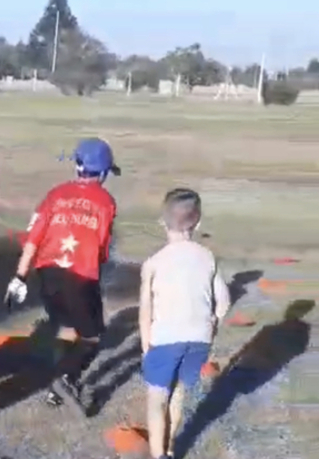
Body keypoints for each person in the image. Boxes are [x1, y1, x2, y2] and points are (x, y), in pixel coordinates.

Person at [3, 137, 119, 413]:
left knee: (67, 325)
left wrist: (19, 277)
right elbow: (101, 249)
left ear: (77, 166)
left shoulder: (55, 194)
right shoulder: (106, 202)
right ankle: (65, 380)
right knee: (91, 337)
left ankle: (58, 385)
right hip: (81, 276)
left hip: (47, 273)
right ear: (103, 172)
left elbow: (33, 238)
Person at [139, 188, 230, 459]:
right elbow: (224, 302)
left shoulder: (153, 263)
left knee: (156, 399)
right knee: (178, 394)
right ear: (198, 223)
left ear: (162, 221)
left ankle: (158, 455)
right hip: (199, 337)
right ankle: (169, 447)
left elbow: (146, 309)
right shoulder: (207, 257)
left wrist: (145, 346)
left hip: (165, 338)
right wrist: (213, 325)